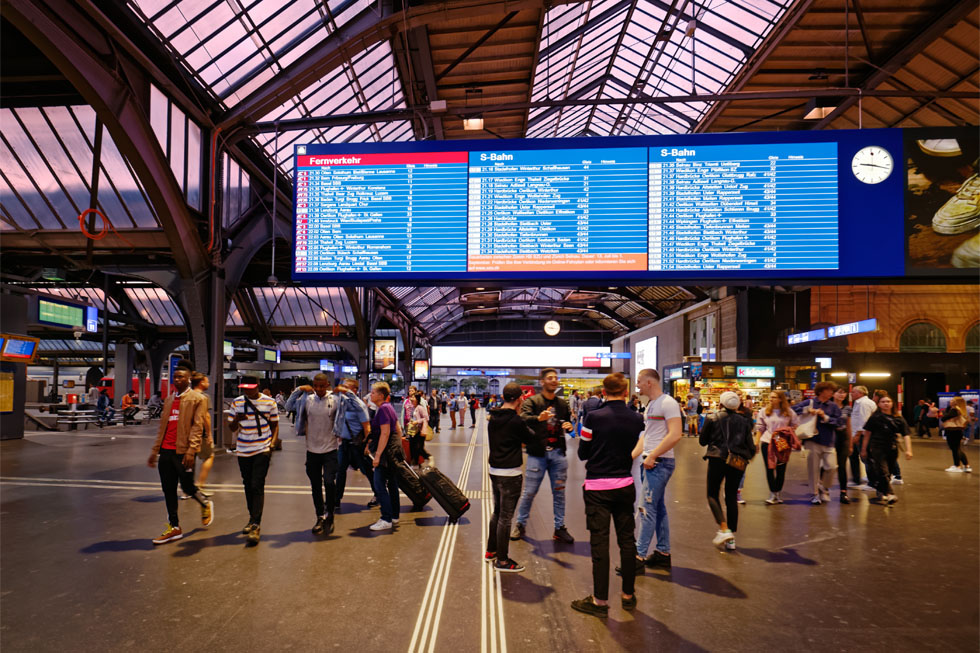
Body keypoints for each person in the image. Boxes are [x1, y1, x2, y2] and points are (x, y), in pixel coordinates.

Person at [572, 373, 643, 618]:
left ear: (603, 391)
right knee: (627, 540)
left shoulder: (593, 417)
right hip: (625, 485)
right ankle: (628, 595)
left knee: (600, 543)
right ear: (625, 393)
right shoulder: (637, 419)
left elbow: (583, 452)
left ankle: (599, 601)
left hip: (597, 488)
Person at [146, 367, 214, 545]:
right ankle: (174, 527)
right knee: (168, 489)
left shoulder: (198, 399)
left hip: (183, 451)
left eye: (181, 377)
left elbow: (197, 426)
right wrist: (155, 451)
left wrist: (192, 450)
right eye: (175, 377)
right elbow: (163, 427)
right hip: (166, 451)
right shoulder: (168, 400)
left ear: (189, 379)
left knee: (187, 486)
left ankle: (204, 503)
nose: (177, 380)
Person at [626, 368, 682, 573]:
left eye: (639, 381)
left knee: (646, 509)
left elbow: (676, 434)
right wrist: (631, 457)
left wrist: (652, 456)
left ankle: (638, 556)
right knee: (657, 509)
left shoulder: (668, 403)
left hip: (659, 463)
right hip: (651, 462)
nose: (637, 385)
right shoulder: (651, 405)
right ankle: (663, 553)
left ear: (650, 382)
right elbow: (647, 436)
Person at [512, 368, 576, 544]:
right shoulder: (532, 401)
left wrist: (569, 427)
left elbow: (565, 421)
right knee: (530, 492)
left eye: (556, 378)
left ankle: (559, 527)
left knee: (560, 493)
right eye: (550, 378)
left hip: (558, 454)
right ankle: (520, 524)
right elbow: (523, 419)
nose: (554, 380)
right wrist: (538, 418)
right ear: (542, 382)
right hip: (537, 454)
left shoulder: (562, 404)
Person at [485, 383, 535, 573]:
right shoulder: (516, 421)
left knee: (497, 513)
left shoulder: (493, 417)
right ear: (518, 399)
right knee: (506, 518)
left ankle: (491, 551)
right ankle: (503, 560)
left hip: (495, 471)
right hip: (510, 474)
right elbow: (530, 438)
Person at [699, 391, 756, 551]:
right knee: (731, 495)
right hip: (737, 461)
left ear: (721, 403)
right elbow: (750, 446)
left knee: (712, 494)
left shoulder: (712, 418)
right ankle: (731, 538)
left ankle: (724, 529)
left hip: (717, 458)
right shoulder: (745, 421)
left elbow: (703, 441)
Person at [227, 375, 279, 545]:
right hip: (243, 450)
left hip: (261, 449)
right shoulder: (237, 402)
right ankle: (252, 518)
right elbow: (232, 427)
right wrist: (237, 419)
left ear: (257, 386)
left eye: (251, 388)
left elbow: (274, 425)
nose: (248, 391)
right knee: (248, 485)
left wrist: (271, 445)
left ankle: (256, 524)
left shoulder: (270, 402)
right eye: (245, 388)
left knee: (257, 485)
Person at [793, 382, 844, 505]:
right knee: (813, 469)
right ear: (821, 391)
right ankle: (815, 494)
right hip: (812, 440)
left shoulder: (833, 406)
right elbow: (792, 409)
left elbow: (839, 422)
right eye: (829, 390)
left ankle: (824, 487)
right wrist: (807, 410)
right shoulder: (810, 402)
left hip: (829, 441)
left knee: (832, 467)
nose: (832, 393)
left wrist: (825, 417)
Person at [860, 395, 911, 504]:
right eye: (883, 402)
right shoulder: (875, 418)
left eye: (888, 401)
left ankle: (880, 488)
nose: (886, 403)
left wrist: (909, 450)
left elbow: (906, 434)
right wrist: (864, 449)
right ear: (879, 404)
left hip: (892, 448)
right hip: (877, 447)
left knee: (888, 472)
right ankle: (890, 493)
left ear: (892, 404)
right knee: (882, 470)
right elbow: (867, 434)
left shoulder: (899, 419)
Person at [335, 378, 375, 510]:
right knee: (340, 471)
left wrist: (368, 445)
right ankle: (336, 499)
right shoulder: (343, 402)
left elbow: (367, 427)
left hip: (357, 445)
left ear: (354, 390)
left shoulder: (359, 405)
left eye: (346, 387)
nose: (343, 389)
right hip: (345, 444)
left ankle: (378, 494)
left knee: (366, 471)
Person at [365, 382, 400, 531]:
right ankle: (394, 516)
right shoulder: (388, 408)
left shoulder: (383, 409)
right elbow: (398, 429)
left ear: (380, 395)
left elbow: (385, 433)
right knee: (392, 484)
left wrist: (377, 455)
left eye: (373, 392)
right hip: (392, 451)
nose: (370, 395)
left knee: (379, 484)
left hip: (386, 453)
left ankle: (386, 518)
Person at [754, 390, 800, 505]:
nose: (771, 399)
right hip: (767, 441)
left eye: (774, 397)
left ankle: (778, 492)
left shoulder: (788, 412)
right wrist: (756, 442)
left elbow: (795, 424)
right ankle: (772, 492)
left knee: (781, 468)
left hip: (782, 442)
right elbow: (760, 428)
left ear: (780, 399)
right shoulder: (764, 411)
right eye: (770, 397)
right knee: (769, 468)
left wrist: (788, 431)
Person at [188, 374, 215, 495]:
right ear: (201, 383)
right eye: (207, 381)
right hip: (200, 433)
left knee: (189, 460)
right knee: (209, 456)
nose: (208, 384)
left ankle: (186, 489)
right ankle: (200, 484)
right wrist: (209, 434)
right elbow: (206, 417)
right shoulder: (204, 397)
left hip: (186, 432)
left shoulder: (186, 395)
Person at [849, 386, 878, 491]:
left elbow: (864, 422)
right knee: (854, 457)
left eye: (853, 392)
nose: (851, 393)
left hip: (862, 435)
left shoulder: (863, 404)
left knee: (866, 458)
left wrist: (857, 435)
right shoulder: (859, 403)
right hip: (858, 434)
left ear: (860, 393)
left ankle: (873, 483)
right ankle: (856, 480)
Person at [831, 388, 852, 504]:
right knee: (826, 466)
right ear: (833, 394)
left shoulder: (847, 408)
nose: (841, 394)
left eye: (843, 392)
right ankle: (822, 489)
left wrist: (850, 444)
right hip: (829, 438)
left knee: (842, 466)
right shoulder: (828, 406)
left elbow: (849, 426)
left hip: (843, 438)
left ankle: (843, 492)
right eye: (839, 392)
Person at [942, 396, 971, 472]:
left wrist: (943, 415)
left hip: (952, 431)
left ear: (956, 402)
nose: (950, 401)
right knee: (957, 448)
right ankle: (966, 465)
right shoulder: (959, 410)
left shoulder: (954, 410)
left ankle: (957, 466)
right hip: (958, 431)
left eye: (952, 400)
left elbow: (944, 418)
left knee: (954, 449)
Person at [409, 394, 433, 467]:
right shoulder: (413, 407)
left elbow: (426, 418)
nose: (411, 398)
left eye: (413, 397)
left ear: (417, 399)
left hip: (420, 431)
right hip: (414, 431)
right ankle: (415, 464)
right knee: (413, 447)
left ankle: (429, 457)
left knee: (419, 448)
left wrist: (417, 421)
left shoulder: (420, 408)